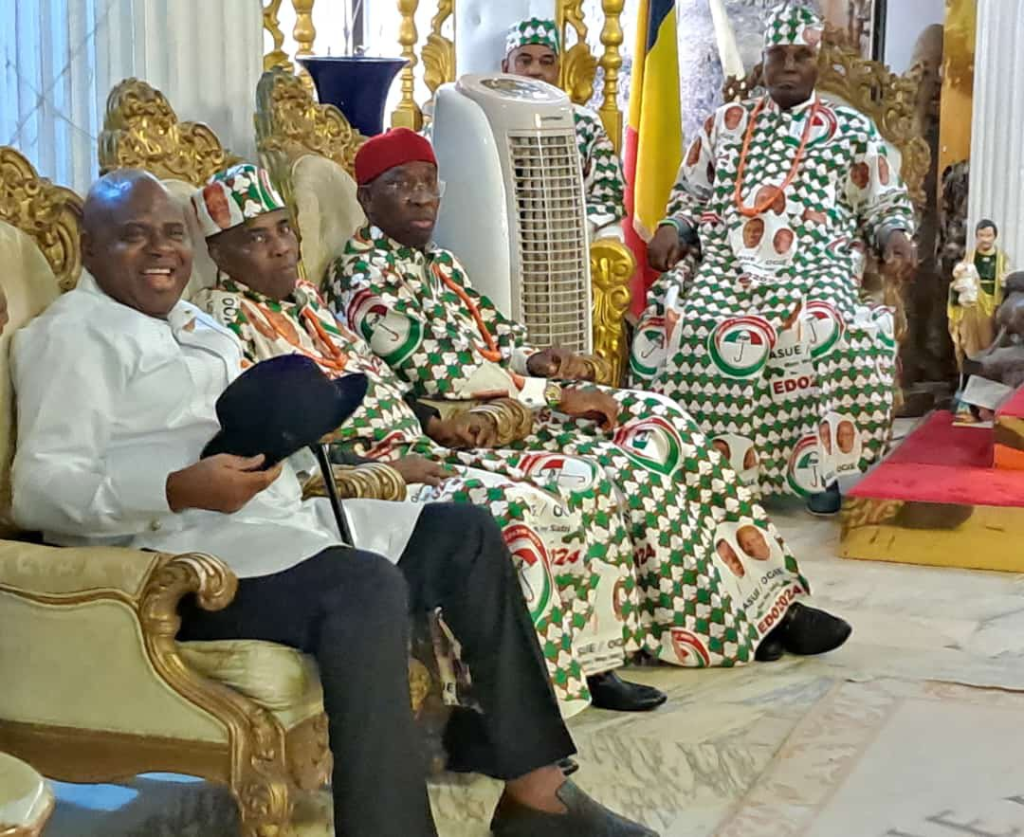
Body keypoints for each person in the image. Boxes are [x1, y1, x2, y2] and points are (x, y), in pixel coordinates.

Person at [9, 169, 658, 837]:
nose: (161, 251)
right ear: (89, 247)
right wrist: (177, 488)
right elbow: (40, 487)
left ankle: (538, 796)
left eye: (172, 234)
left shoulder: (194, 323)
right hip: (173, 568)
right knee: (362, 585)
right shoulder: (72, 337)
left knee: (463, 533)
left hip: (273, 523)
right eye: (133, 237)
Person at [324, 127, 852, 668]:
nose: (420, 196)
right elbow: (442, 371)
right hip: (472, 426)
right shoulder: (361, 275)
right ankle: (718, 624)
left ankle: (772, 603)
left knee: (665, 421)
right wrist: (553, 393)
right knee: (635, 471)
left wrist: (539, 359)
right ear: (366, 197)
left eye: (429, 182)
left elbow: (495, 337)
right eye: (400, 184)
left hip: (523, 401)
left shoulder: (441, 265)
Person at [189, 163, 666, 716]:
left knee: (580, 484)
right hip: (359, 478)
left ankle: (591, 665)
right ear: (220, 256)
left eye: (283, 230)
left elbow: (371, 379)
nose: (280, 247)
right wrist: (392, 472)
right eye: (255, 237)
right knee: (515, 513)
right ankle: (502, 712)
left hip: (421, 444)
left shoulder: (306, 299)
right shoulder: (224, 322)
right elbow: (279, 451)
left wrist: (432, 421)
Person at [636, 3, 918, 517]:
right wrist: (672, 229)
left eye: (801, 56)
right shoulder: (723, 123)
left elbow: (882, 202)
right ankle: (704, 472)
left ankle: (818, 470)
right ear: (763, 61)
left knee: (818, 329)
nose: (789, 66)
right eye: (778, 56)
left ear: (817, 61)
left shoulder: (850, 128)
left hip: (817, 263)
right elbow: (690, 196)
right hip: (726, 263)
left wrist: (895, 235)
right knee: (698, 327)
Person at [501, 17, 626, 238]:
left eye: (547, 61)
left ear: (558, 70)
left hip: (566, 241)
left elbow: (607, 196)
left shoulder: (585, 124)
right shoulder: (481, 116)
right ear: (505, 68)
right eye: (524, 60)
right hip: (496, 234)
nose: (535, 71)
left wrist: (573, 231)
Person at [948, 219, 1012, 366]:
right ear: (977, 236)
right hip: (971, 306)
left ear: (995, 236)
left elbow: (1006, 280)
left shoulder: (1001, 259)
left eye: (988, 235)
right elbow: (958, 280)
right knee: (968, 339)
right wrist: (956, 290)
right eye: (981, 235)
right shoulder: (970, 257)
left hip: (991, 306)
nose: (985, 240)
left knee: (988, 339)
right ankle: (968, 366)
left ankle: (985, 368)